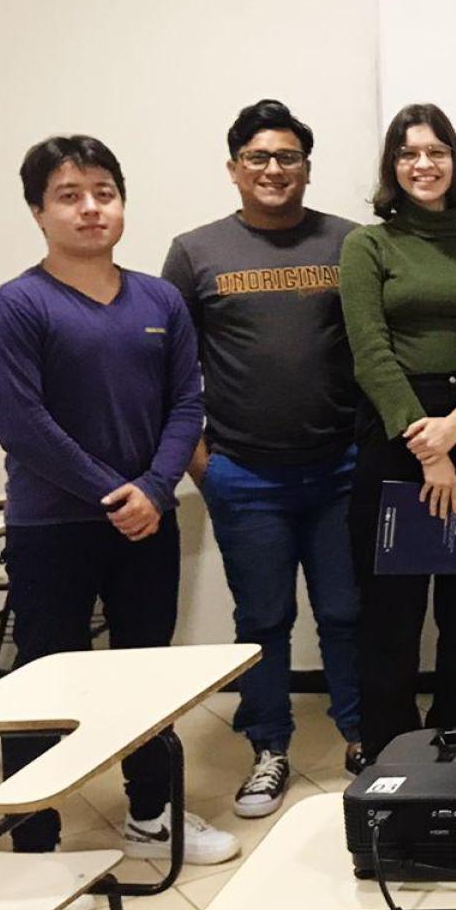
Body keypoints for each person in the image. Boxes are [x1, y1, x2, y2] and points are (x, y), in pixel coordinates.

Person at [0, 136, 240, 874]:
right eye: (69, 194)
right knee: (42, 681)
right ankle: (33, 843)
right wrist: (111, 490)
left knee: (147, 674)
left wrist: (153, 489)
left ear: (121, 202)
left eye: (103, 192)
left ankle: (151, 817)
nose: (91, 208)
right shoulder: (12, 309)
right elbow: (22, 425)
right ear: (38, 211)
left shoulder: (159, 300)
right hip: (53, 526)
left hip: (148, 521)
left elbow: (186, 401)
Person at [162, 100, 365, 820]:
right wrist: (199, 462)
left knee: (346, 613)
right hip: (244, 474)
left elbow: (373, 353)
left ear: (307, 168)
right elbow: (171, 367)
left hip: (340, 470)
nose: (274, 170)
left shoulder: (350, 243)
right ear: (234, 169)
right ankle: (269, 748)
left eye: (287, 158)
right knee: (264, 618)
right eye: (258, 158)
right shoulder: (196, 251)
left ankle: (359, 737)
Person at [340, 104, 456, 761]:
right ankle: (391, 757)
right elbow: (370, 352)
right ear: (393, 165)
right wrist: (428, 445)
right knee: (392, 614)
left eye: (437, 151)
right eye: (409, 152)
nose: (424, 164)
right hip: (396, 436)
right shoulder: (368, 245)